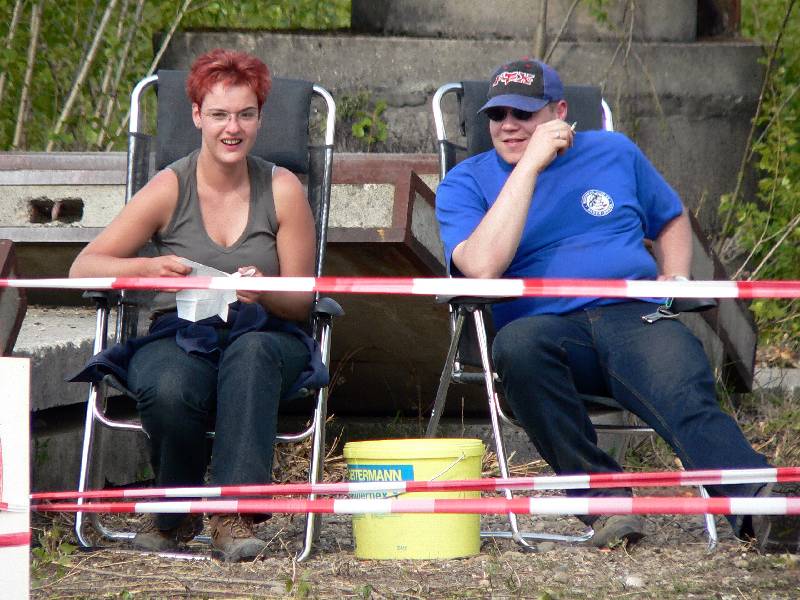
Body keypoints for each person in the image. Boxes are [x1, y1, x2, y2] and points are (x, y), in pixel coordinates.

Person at [435, 58, 799, 551]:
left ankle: (760, 504)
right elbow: (480, 267)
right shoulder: (466, 181)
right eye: (497, 115)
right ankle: (606, 506)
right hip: (544, 329)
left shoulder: (614, 152)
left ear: (560, 112)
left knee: (681, 388)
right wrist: (529, 168)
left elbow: (671, 217)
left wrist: (676, 276)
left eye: (524, 113)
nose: (508, 125)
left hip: (634, 316)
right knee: (518, 349)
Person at [69, 48, 325, 561]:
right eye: (219, 114)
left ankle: (232, 516)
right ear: (196, 116)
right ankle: (175, 513)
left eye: (245, 114)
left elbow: (302, 300)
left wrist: (266, 290)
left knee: (251, 357)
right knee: (168, 382)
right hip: (182, 330)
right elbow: (83, 267)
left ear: (260, 118)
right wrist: (148, 269)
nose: (233, 128)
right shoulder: (170, 186)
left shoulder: (282, 189)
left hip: (267, 331)